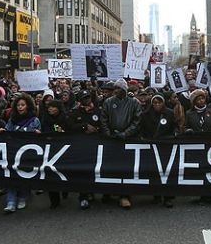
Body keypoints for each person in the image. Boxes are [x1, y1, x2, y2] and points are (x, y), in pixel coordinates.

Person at [100, 78, 142, 209]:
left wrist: (125, 134)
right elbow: (104, 119)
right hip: (112, 139)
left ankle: (125, 195)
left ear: (124, 90)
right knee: (109, 166)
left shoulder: (134, 102)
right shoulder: (108, 102)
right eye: (115, 88)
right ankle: (108, 192)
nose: (115, 90)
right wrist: (108, 133)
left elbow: (137, 121)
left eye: (118, 88)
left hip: (128, 140)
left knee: (126, 168)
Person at [2, 94, 41, 214]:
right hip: (13, 152)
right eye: (18, 105)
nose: (20, 107)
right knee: (11, 175)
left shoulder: (34, 120)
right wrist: (2, 132)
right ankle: (11, 202)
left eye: (22, 105)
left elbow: (39, 138)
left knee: (24, 175)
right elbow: (7, 131)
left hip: (27, 154)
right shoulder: (12, 120)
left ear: (28, 106)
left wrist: (38, 134)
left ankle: (23, 196)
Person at [184, 89, 211, 205]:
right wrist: (187, 130)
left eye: (203, 98)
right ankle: (202, 195)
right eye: (198, 99)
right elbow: (185, 127)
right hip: (197, 146)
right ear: (194, 101)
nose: (201, 101)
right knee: (200, 171)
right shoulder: (189, 114)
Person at [139, 94, 176, 208]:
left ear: (163, 103)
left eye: (159, 102)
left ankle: (167, 197)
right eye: (154, 103)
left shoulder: (169, 113)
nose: (157, 105)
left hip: (165, 146)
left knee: (166, 172)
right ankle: (156, 195)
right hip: (151, 146)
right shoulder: (145, 114)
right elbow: (142, 130)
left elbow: (173, 129)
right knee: (154, 172)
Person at [68, 90, 102, 210]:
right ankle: (83, 197)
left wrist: (97, 129)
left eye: (88, 97)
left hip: (96, 145)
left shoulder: (98, 111)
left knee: (95, 170)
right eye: (84, 98)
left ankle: (93, 192)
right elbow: (70, 126)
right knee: (83, 172)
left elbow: (104, 125)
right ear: (79, 100)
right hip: (81, 146)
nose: (87, 99)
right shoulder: (75, 112)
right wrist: (84, 126)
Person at [40, 100, 69, 209]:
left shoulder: (65, 118)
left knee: (63, 172)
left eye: (53, 107)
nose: (50, 109)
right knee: (50, 174)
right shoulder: (45, 119)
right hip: (49, 150)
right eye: (49, 107)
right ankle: (54, 200)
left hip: (62, 150)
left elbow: (70, 132)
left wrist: (63, 132)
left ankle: (65, 189)